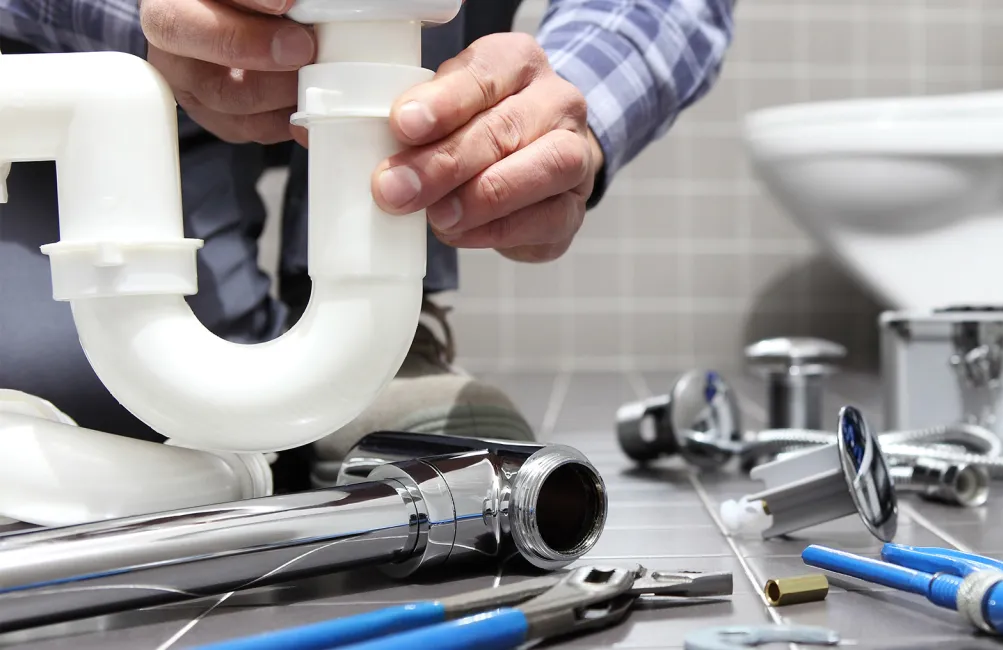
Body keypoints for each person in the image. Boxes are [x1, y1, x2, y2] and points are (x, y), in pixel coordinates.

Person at [0, 0, 734, 488]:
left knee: (201, 414)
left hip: (394, 54)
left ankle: (378, 336)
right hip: (58, 71)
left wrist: (567, 104)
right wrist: (141, 14)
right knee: (61, 377)